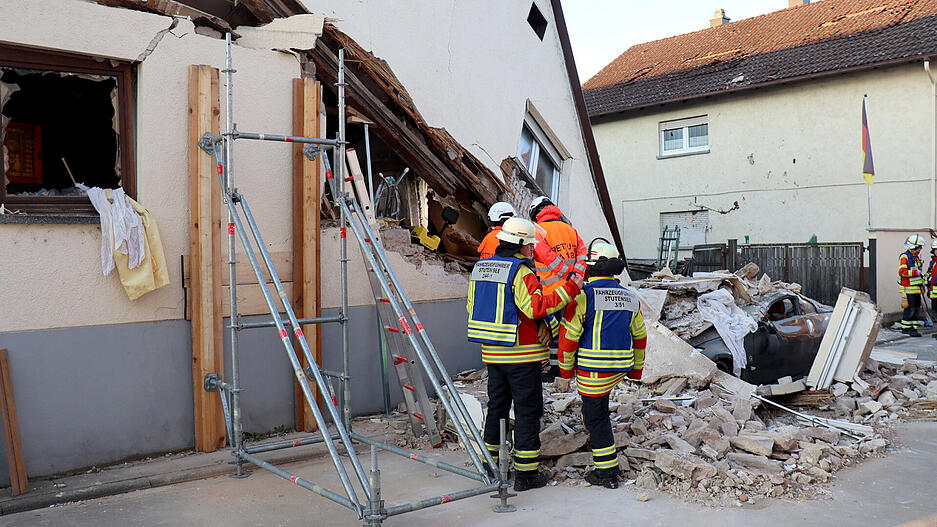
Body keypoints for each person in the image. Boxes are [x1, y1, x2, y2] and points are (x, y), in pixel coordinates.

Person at [466, 217, 583, 491]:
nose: (532, 250)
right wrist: (571, 288)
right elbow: (535, 307)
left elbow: (473, 307)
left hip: (493, 355)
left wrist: (540, 323)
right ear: (520, 244)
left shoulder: (481, 268)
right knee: (527, 412)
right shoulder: (520, 272)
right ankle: (526, 475)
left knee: (497, 408)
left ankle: (491, 466)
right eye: (530, 245)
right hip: (522, 356)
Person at [557, 239, 647, 489]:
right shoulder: (630, 297)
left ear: (591, 267)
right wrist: (636, 370)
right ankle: (606, 463)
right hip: (620, 366)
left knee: (596, 419)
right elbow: (640, 336)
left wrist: (565, 370)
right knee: (598, 411)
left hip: (593, 370)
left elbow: (568, 338)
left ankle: (607, 472)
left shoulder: (583, 296)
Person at [529, 196, 588, 378]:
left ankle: (556, 371)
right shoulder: (570, 229)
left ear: (535, 213)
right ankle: (574, 367)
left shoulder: (537, 230)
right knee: (573, 330)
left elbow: (546, 256)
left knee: (555, 333)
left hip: (552, 293)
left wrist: (566, 274)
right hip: (575, 291)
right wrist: (575, 276)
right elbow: (582, 254)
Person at [898, 234, 926, 337]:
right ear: (914, 246)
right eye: (919, 247)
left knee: (916, 309)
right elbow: (902, 272)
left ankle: (913, 328)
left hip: (916, 289)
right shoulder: (905, 257)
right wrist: (915, 272)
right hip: (909, 289)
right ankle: (906, 328)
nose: (921, 249)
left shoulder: (915, 257)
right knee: (910, 309)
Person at [927, 239, 937, 338]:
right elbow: (930, 274)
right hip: (934, 292)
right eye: (935, 249)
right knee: (935, 312)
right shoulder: (933, 262)